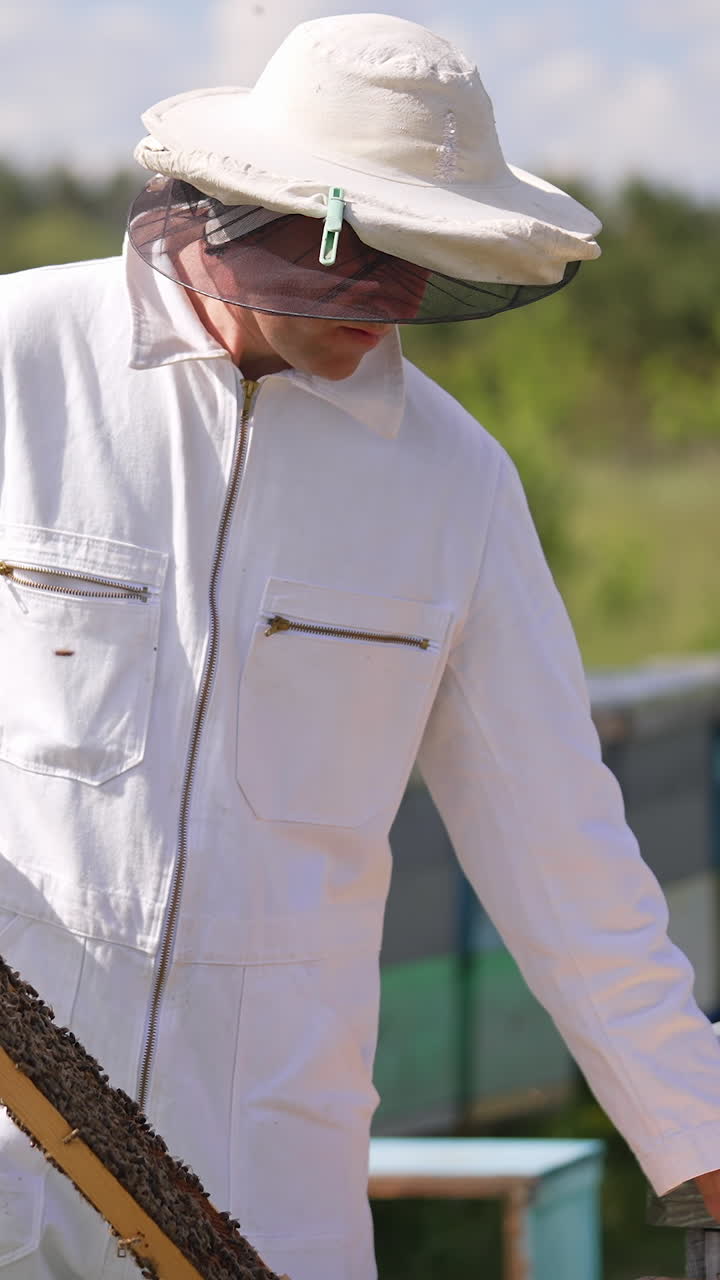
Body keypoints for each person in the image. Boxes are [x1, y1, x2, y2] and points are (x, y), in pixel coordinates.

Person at [0, 12, 719, 1279]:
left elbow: (565, 847)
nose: (383, 298)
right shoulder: (16, 368)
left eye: (420, 256)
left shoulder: (457, 487)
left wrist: (702, 1143)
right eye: (357, 250)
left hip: (268, 1187)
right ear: (234, 206)